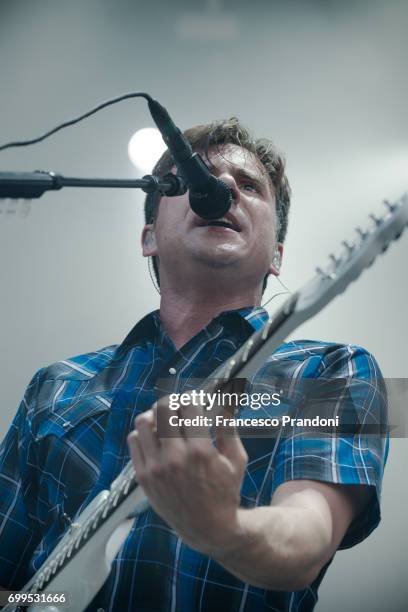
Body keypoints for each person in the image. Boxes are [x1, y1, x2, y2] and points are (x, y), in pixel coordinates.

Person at [0, 118, 388, 611]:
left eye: (250, 186)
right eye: (190, 179)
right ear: (149, 237)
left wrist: (223, 528)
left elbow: (307, 538)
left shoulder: (338, 370)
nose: (223, 186)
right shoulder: (53, 386)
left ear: (277, 256)